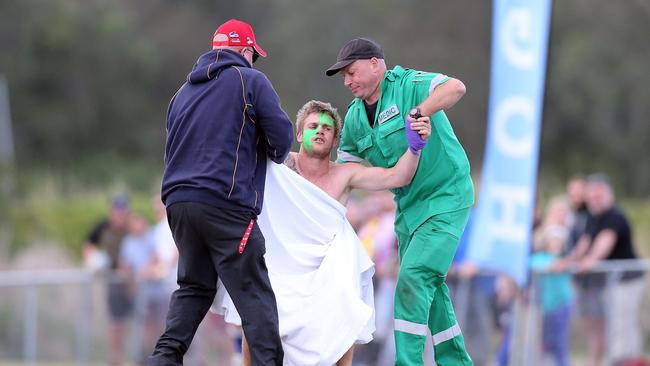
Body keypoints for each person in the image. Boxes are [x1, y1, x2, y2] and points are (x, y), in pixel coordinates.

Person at [214, 99, 431, 366]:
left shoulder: (346, 174)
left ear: (336, 140)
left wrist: (415, 146)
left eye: (327, 128)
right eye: (313, 126)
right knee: (255, 312)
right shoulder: (277, 164)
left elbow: (397, 177)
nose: (320, 131)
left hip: (327, 269)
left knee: (345, 308)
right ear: (298, 134)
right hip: (280, 264)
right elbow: (235, 147)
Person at [148, 18, 293, 366]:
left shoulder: (180, 93)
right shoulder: (250, 79)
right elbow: (282, 141)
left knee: (194, 287)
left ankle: (163, 359)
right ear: (245, 51)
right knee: (253, 293)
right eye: (253, 56)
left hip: (178, 204)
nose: (253, 62)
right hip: (224, 203)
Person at [326, 37, 474, 365]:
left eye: (352, 72)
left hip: (446, 196)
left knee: (413, 277)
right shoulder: (352, 120)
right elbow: (344, 177)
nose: (348, 81)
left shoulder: (408, 84)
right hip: (408, 209)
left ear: (376, 64)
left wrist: (421, 111)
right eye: (344, 77)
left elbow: (456, 88)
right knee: (431, 291)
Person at [562, 174, 645, 365]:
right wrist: (569, 261)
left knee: (623, 325)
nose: (596, 200)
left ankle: (625, 361)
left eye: (600, 196)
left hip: (627, 280)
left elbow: (604, 242)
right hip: (613, 282)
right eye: (593, 196)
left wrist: (590, 261)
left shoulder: (615, 216)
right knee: (614, 325)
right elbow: (585, 243)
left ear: (609, 194)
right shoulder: (593, 217)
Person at [82, 194, 131, 366]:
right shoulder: (103, 227)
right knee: (116, 323)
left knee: (133, 322)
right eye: (117, 211)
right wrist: (94, 260)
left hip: (132, 282)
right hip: (114, 283)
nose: (119, 215)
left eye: (122, 211)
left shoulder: (131, 228)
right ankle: (115, 359)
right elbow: (88, 244)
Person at [530, 197, 574, 366]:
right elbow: (533, 263)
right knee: (545, 342)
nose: (555, 243)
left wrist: (561, 264)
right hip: (546, 306)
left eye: (558, 241)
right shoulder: (540, 258)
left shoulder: (565, 260)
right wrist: (551, 265)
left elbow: (567, 264)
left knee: (560, 342)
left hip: (562, 304)